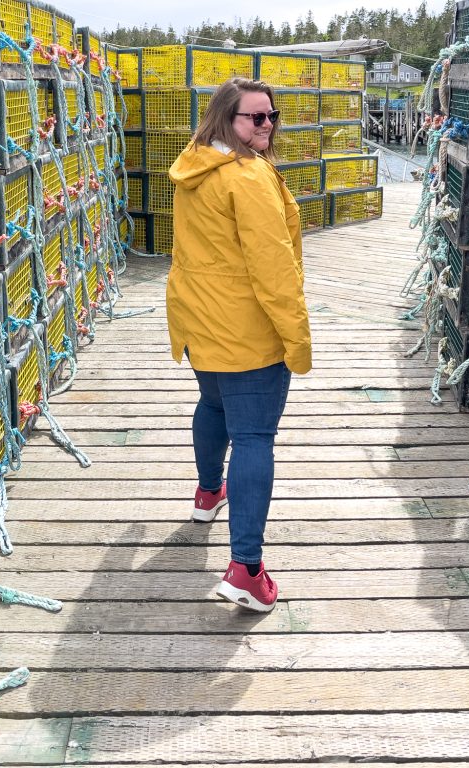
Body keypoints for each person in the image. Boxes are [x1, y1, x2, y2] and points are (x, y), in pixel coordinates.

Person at [166, 77, 312, 613]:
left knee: (212, 404)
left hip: (200, 320)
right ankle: (246, 568)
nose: (268, 125)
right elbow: (274, 271)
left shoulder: (196, 163)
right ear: (228, 119)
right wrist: (296, 338)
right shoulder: (247, 178)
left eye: (272, 115)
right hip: (247, 329)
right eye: (255, 118)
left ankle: (208, 495)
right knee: (253, 438)